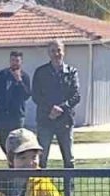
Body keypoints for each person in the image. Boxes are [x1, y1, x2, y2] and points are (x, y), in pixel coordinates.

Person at [32, 39, 82, 168]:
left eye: (59, 50)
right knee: (41, 159)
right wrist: (51, 109)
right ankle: (40, 182)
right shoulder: (40, 72)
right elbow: (36, 96)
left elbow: (76, 96)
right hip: (45, 120)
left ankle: (69, 183)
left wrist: (61, 108)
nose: (56, 54)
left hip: (65, 120)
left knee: (69, 160)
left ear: (64, 51)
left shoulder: (71, 72)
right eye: (53, 51)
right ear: (48, 53)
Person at [0, 51, 32, 153]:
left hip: (17, 115)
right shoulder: (3, 74)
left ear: (21, 62)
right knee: (2, 140)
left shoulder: (25, 76)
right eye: (13, 60)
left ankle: (15, 159)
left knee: (17, 140)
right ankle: (9, 158)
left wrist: (19, 81)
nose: (14, 63)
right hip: (3, 113)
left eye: (17, 61)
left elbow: (27, 95)